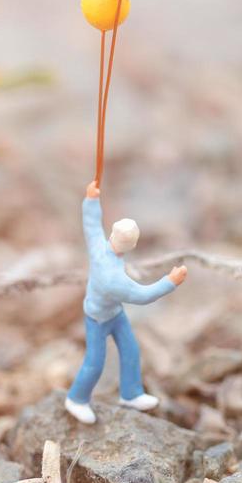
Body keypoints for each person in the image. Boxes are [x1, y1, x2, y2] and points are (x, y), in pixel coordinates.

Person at [66, 180, 188, 425]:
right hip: (98, 319)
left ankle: (131, 393)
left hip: (115, 314)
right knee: (95, 362)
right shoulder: (113, 278)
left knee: (131, 349)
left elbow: (91, 226)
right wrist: (170, 281)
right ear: (132, 245)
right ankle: (76, 398)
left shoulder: (100, 247)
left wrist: (91, 200)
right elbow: (143, 295)